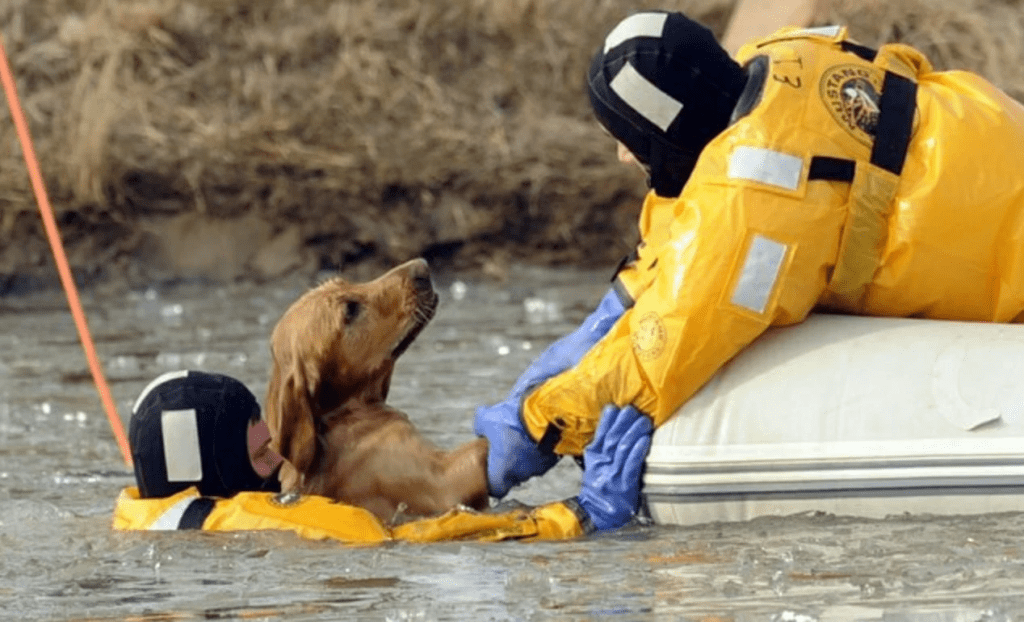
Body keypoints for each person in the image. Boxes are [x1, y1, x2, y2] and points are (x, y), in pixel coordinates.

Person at [475, 10, 1024, 504]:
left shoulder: (755, 207)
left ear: (663, 132)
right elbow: (689, 209)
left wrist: (532, 428)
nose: (622, 156)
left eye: (627, 138)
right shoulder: (779, 56)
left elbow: (660, 356)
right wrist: (618, 305)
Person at [114, 369, 651, 543]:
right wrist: (578, 515)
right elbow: (398, 545)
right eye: (259, 450)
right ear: (219, 469)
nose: (280, 452)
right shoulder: (260, 520)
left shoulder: (136, 513)